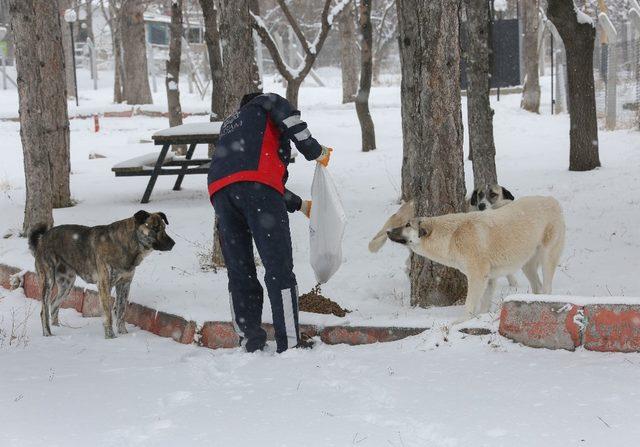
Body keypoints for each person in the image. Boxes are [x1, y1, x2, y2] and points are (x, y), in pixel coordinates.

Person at [207, 92, 332, 353]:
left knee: (240, 270)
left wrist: (300, 205)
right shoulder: (267, 102)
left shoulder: (232, 124)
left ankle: (249, 339)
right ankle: (290, 343)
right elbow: (293, 125)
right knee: (278, 268)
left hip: (220, 193)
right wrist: (316, 151)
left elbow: (247, 173)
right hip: (257, 189)